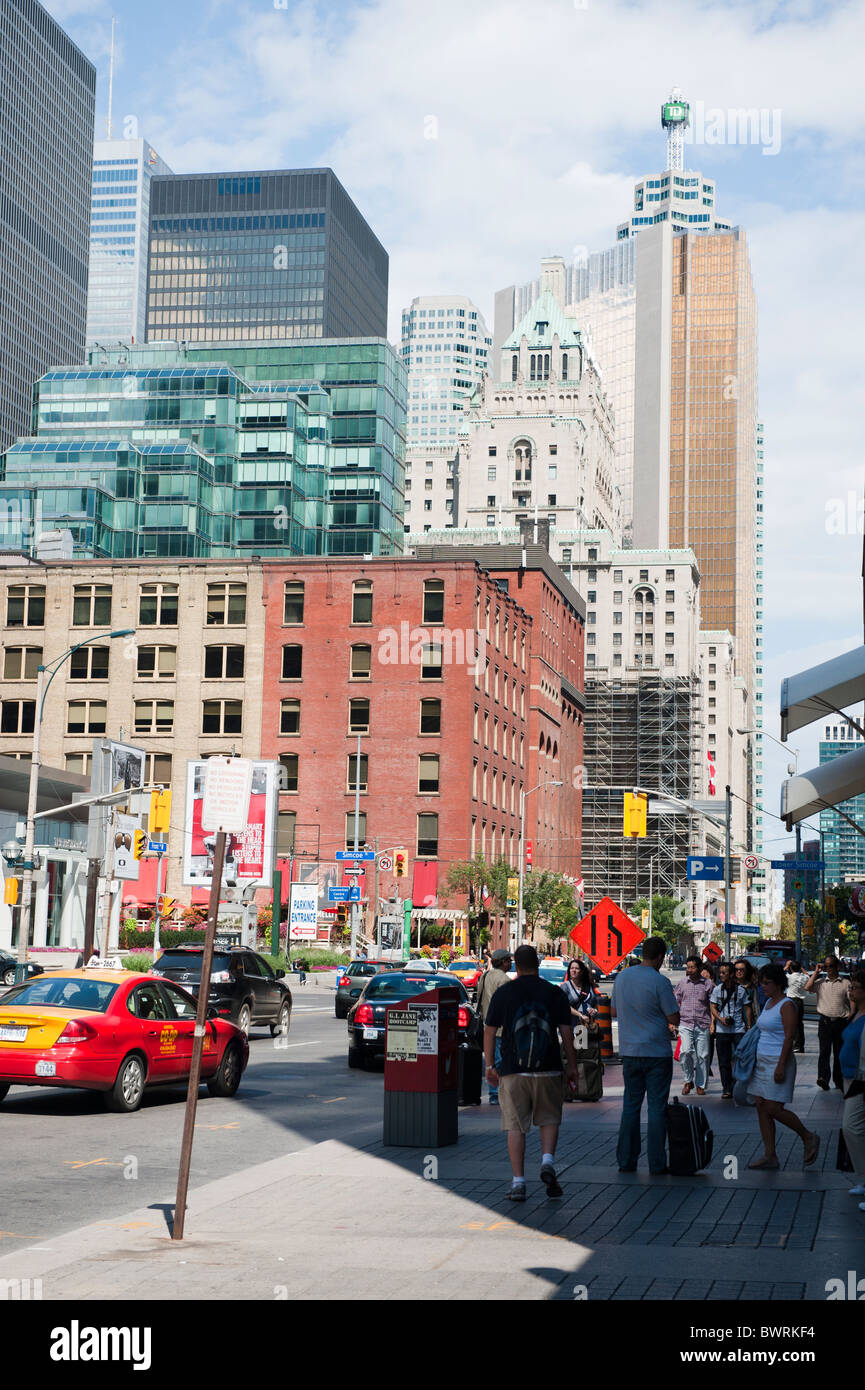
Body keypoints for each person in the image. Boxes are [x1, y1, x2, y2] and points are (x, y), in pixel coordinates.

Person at [483, 944, 577, 1201]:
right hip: (548, 1068)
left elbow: (489, 1031)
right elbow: (567, 1033)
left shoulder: (506, 993)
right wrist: (571, 1066)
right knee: (549, 1118)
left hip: (514, 1069)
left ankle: (518, 1183)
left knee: (516, 1125)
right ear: (537, 964)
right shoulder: (553, 992)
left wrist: (490, 1066)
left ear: (515, 965)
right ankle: (547, 1161)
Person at [611, 936, 680, 1176]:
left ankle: (626, 1161)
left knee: (630, 1107)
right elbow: (674, 1018)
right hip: (656, 1053)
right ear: (660, 957)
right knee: (656, 1108)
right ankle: (657, 1163)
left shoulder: (622, 977)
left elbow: (612, 1010)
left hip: (630, 1052)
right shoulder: (660, 982)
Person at [747, 963, 819, 1170]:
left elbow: (790, 1036)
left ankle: (807, 1136)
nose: (763, 987)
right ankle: (770, 1154)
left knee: (773, 1107)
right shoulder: (769, 1003)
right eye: (762, 983)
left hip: (779, 1061)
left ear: (779, 984)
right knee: (761, 1106)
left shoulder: (787, 1005)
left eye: (767, 983)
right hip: (762, 1060)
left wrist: (780, 1064)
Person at [840, 970, 865, 1209]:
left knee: (852, 1127)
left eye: (855, 987)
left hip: (861, 1080)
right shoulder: (856, 1013)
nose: (851, 991)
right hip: (851, 1078)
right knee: (854, 1129)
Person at [807, 954, 851, 1090]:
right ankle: (823, 1078)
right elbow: (808, 987)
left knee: (839, 1053)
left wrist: (852, 1018)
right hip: (825, 1022)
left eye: (830, 966)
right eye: (825, 966)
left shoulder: (845, 983)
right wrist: (816, 972)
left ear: (837, 966)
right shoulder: (820, 983)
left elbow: (852, 1001)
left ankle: (838, 1080)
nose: (828, 969)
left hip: (841, 1022)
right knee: (824, 1052)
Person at [710, 960, 753, 1098]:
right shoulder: (717, 990)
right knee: (723, 1060)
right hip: (722, 1030)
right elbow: (712, 1006)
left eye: (724, 973)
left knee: (738, 1059)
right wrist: (719, 1019)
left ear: (731, 974)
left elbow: (747, 1008)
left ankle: (736, 1085)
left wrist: (749, 1025)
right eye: (720, 973)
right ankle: (726, 1088)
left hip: (738, 1029)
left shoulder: (741, 990)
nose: (721, 975)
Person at [475, 948, 512, 1106]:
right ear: (503, 962)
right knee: (501, 1060)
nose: (511, 963)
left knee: (492, 1060)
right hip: (502, 1028)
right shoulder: (504, 980)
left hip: (487, 1026)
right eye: (509, 960)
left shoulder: (485, 976)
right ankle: (497, 1094)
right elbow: (508, 1005)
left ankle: (493, 1093)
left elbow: (479, 999)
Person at [674, 956, 714, 1096]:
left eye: (692, 967)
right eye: (688, 967)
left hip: (703, 1023)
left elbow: (713, 1005)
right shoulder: (682, 983)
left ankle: (700, 1085)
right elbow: (676, 1002)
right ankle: (688, 1080)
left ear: (699, 968)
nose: (689, 970)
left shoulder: (708, 984)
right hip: (685, 1023)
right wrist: (673, 1022)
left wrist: (713, 1022)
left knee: (703, 1056)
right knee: (685, 1052)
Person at [784, 960, 809, 1053]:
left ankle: (795, 1044)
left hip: (791, 1001)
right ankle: (800, 1045)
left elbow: (778, 975)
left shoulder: (789, 977)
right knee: (799, 1024)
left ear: (791, 968)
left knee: (791, 1024)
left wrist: (786, 966)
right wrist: (801, 967)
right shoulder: (803, 977)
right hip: (800, 1001)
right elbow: (807, 975)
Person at [734, 958, 758, 1023]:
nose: (738, 971)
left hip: (749, 1022)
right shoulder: (731, 986)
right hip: (734, 1024)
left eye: (741, 970)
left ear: (746, 971)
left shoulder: (752, 987)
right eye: (736, 970)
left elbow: (756, 1006)